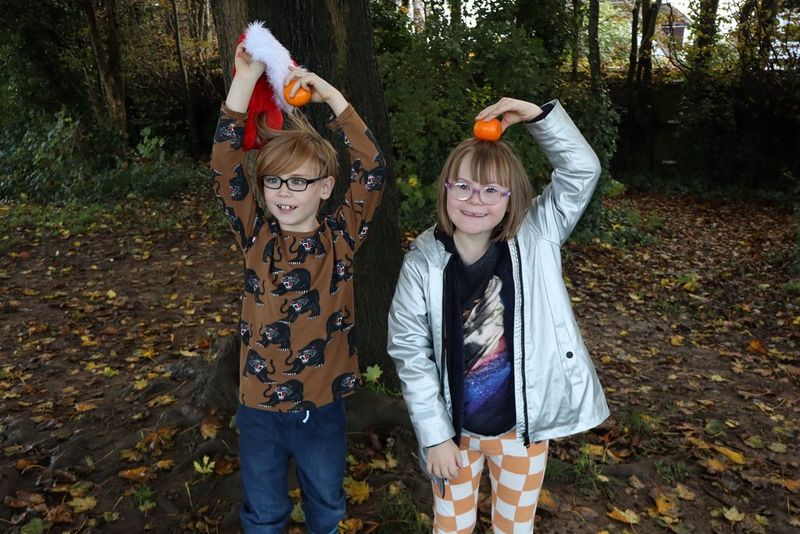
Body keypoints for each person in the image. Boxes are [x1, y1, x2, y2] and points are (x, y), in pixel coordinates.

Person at [387, 97, 609, 533]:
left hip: (520, 433)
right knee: (452, 527)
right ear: (445, 189)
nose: (476, 200)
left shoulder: (537, 235)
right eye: (463, 186)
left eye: (492, 190)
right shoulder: (423, 262)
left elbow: (582, 171)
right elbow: (409, 350)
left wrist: (538, 118)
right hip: (454, 434)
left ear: (510, 199)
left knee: (514, 528)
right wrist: (435, 435)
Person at [211, 42, 385, 534]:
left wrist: (332, 97)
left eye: (298, 182)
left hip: (322, 408)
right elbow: (224, 167)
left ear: (326, 188)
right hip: (258, 409)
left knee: (326, 507)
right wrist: (245, 82)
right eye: (273, 182)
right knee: (264, 513)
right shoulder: (255, 236)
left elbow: (371, 168)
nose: (284, 193)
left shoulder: (341, 238)